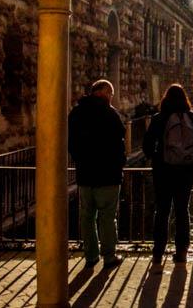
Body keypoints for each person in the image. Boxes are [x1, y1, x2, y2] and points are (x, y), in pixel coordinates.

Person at [143, 84, 193, 266]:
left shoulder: (159, 118)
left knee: (162, 211)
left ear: (165, 99)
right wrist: (189, 155)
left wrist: (156, 157)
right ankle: (182, 252)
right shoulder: (192, 117)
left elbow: (147, 145)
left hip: (162, 171)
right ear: (184, 99)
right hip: (185, 171)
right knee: (182, 211)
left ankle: (158, 253)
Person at [68, 79, 126, 269]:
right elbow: (120, 141)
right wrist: (119, 165)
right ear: (102, 92)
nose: (111, 97)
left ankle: (91, 256)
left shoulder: (76, 113)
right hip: (108, 175)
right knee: (107, 217)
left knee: (87, 216)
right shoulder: (111, 115)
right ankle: (109, 256)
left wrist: (80, 160)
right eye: (110, 93)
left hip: (85, 174)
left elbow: (70, 142)